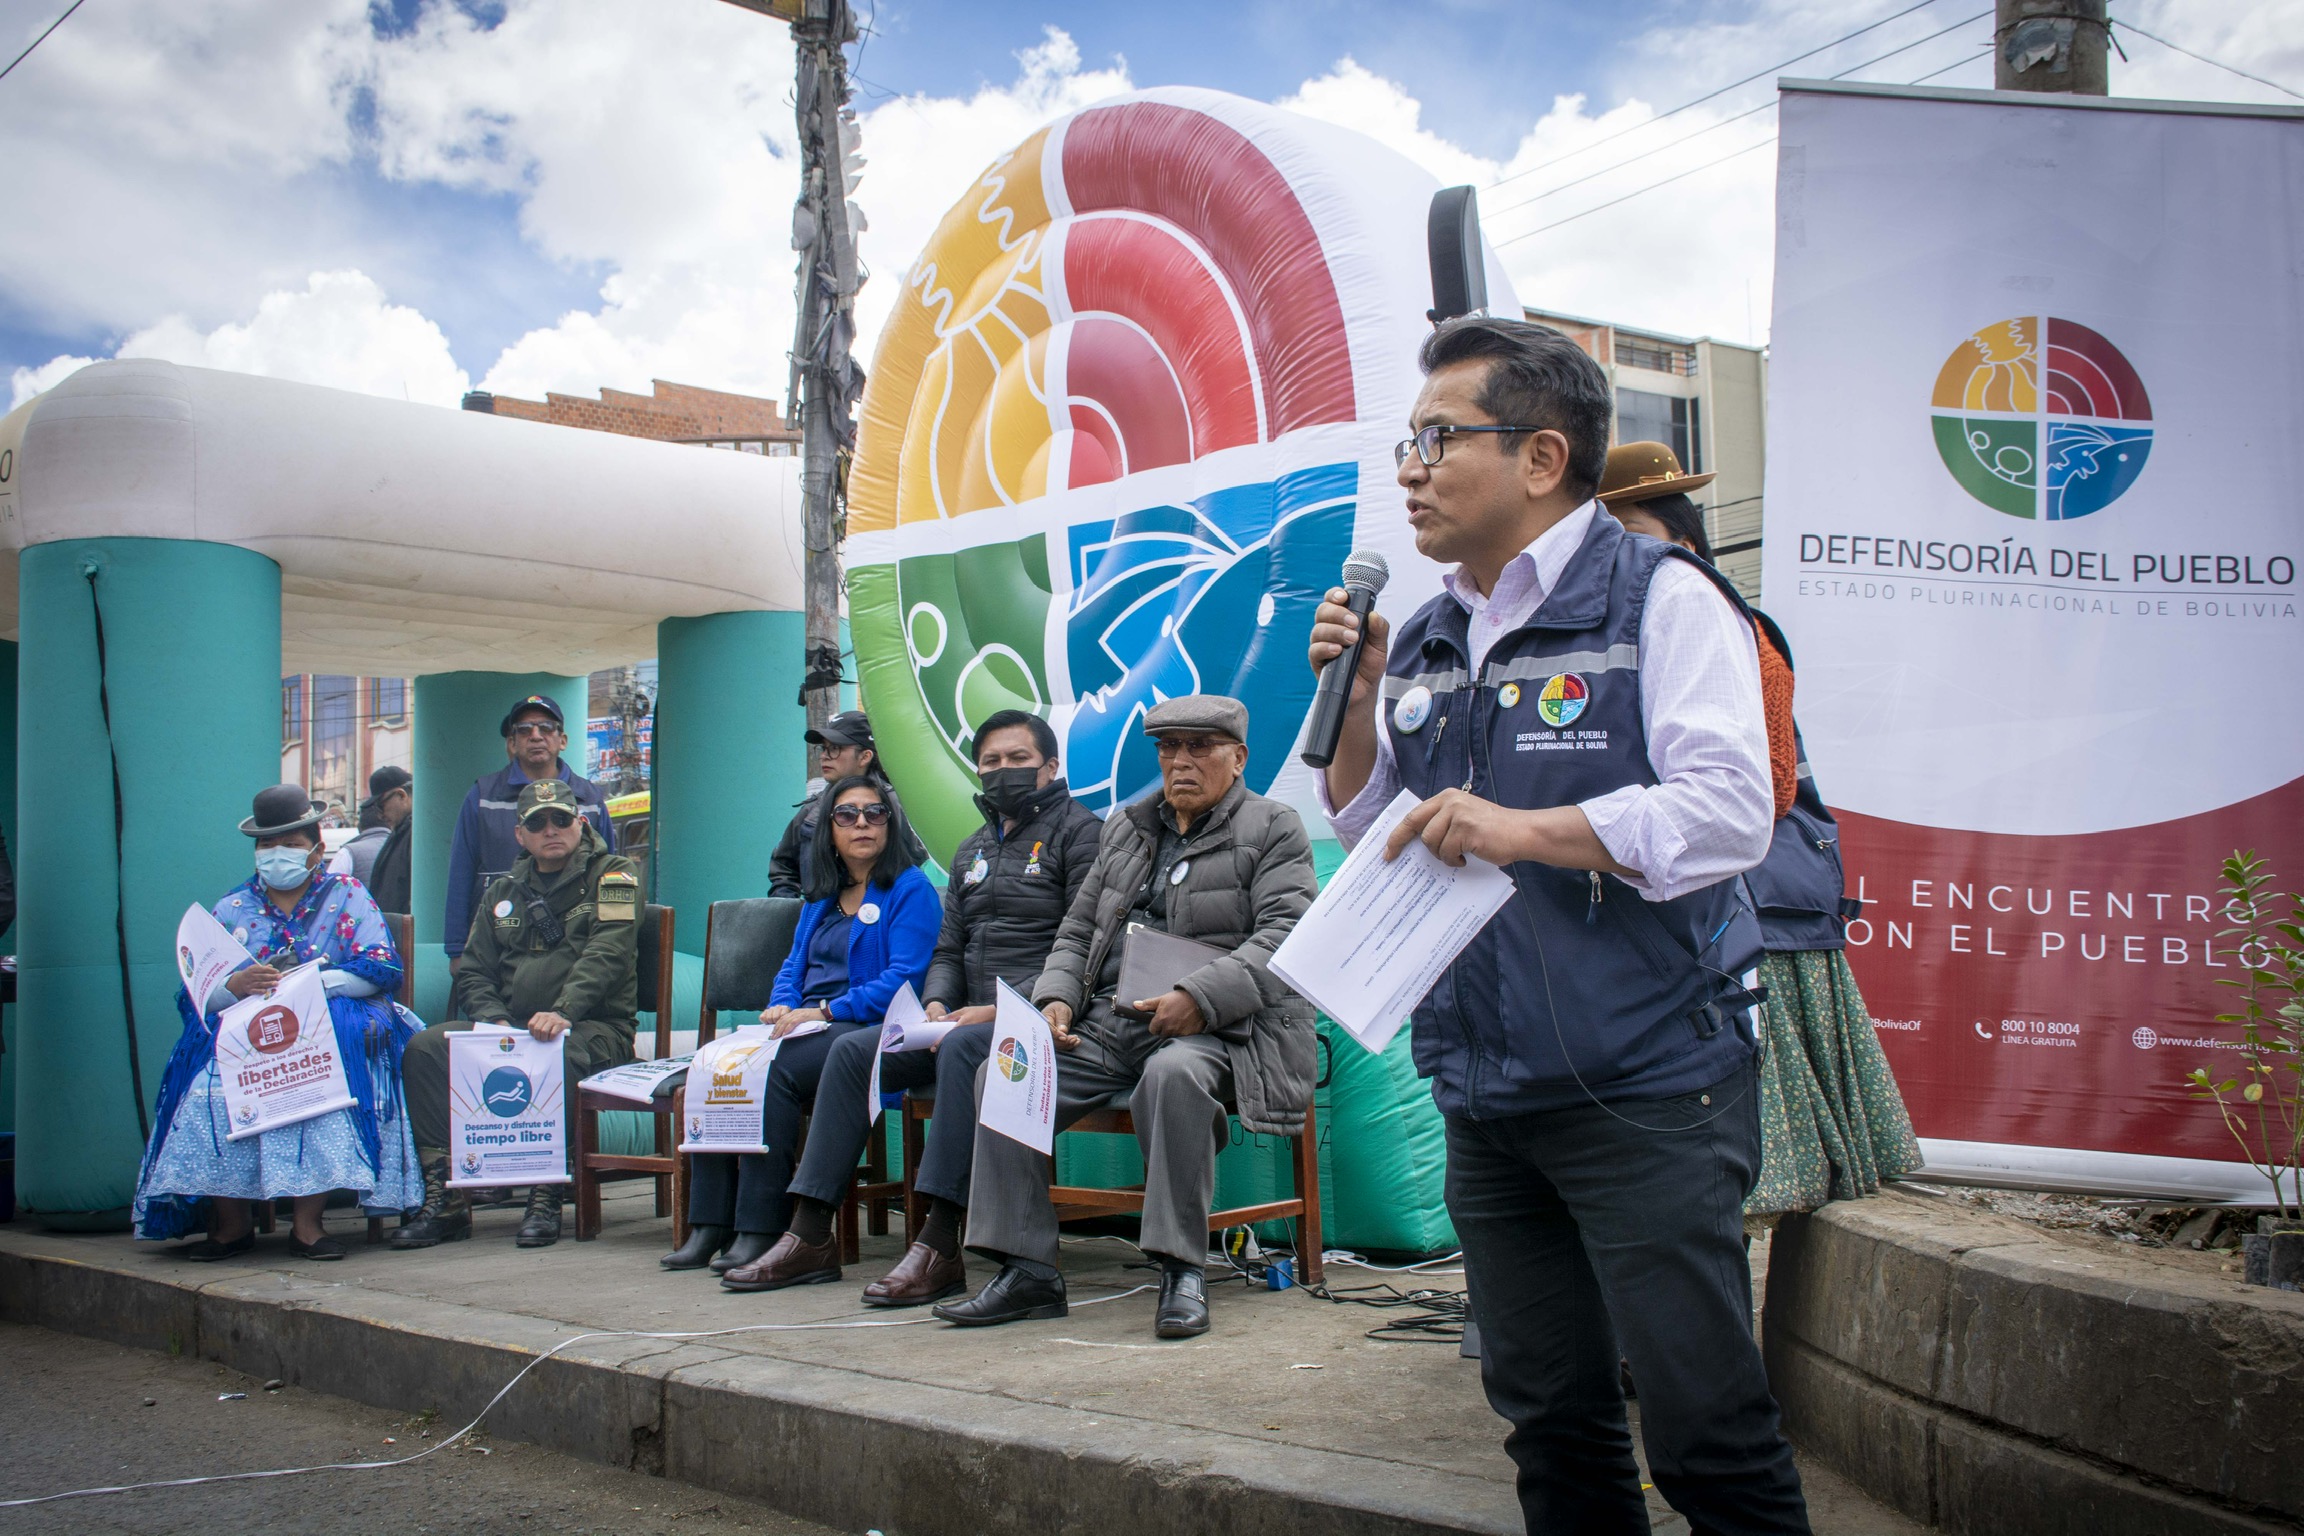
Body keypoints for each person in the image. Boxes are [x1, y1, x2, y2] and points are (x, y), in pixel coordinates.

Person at [1308, 316, 1810, 1533]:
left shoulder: (1663, 598)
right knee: (1551, 1420)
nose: (1410, 467)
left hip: (1646, 1084)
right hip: (1485, 1093)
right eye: (1406, 441)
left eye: (1438, 437)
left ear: (1541, 458)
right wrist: (1365, 705)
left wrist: (1529, 830)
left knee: (1703, 1429)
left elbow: (1735, 811)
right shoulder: (1423, 630)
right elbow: (1371, 815)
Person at [675, 710, 1101, 1305]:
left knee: (955, 1051)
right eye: (991, 762)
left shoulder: (1084, 835)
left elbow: (1084, 945)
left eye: (1018, 760)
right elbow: (950, 948)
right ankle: (809, 1231)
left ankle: (939, 1240)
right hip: (956, 1020)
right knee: (852, 1052)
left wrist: (997, 1009)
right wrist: (936, 999)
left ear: (1050, 767)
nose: (1003, 772)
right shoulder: (972, 849)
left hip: (1034, 1017)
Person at [1600, 442, 1922, 1223]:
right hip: (1682, 905)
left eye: (1636, 532)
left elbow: (1766, 790)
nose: (1624, 553)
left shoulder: (1730, 627)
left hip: (1752, 917)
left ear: (1682, 539)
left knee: (1749, 1173)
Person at [933, 695, 1317, 1341]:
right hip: (1113, 1022)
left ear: (1239, 757)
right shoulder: (1128, 827)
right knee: (1009, 1071)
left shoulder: (1275, 825)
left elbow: (1287, 934)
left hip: (1222, 1030)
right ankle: (1027, 1270)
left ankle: (1180, 1268)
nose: (1181, 761)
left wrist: (1198, 996)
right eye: (1170, 748)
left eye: (1200, 747)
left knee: (1173, 1078)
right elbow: (1079, 928)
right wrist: (1054, 1000)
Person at [131, 785, 424, 1260]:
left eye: (288, 843)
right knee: (211, 1091)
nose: (275, 854)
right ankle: (231, 1225)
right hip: (251, 1034)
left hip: (330, 1025)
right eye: (266, 845)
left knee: (318, 1085)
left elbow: (383, 968)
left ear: (316, 847)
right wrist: (238, 984)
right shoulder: (232, 908)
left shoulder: (348, 895)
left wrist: (317, 983)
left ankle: (308, 1225)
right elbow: (199, 993)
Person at [693, 776, 939, 1290]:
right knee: (719, 1064)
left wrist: (825, 1011)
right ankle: (710, 1222)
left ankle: (762, 1227)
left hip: (868, 1029)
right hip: (811, 1025)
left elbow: (905, 980)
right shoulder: (821, 895)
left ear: (890, 826)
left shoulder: (910, 889)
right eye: (846, 815)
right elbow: (792, 965)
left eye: (875, 814)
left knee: (773, 1074)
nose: (862, 824)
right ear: (828, 830)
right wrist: (782, 1005)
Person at [395, 778, 642, 1250]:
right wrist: (494, 1021)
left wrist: (563, 1011)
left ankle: (547, 1192)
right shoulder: (502, 892)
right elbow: (473, 971)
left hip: (592, 1027)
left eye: (561, 819)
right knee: (424, 1049)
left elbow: (608, 955)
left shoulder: (615, 877)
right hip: (511, 1028)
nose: (551, 829)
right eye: (537, 822)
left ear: (580, 822)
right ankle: (445, 1200)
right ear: (520, 835)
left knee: (557, 1053)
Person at [443, 694, 612, 960]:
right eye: (524, 730)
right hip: (498, 938)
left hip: (575, 942)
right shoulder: (483, 796)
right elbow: (460, 872)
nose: (535, 736)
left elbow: (608, 873)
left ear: (563, 740)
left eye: (546, 728)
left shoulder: (589, 798)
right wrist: (455, 949)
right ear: (512, 743)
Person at [766, 710, 927, 899]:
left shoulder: (894, 804)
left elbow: (917, 862)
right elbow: (783, 867)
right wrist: (790, 910)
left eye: (835, 748)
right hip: (822, 922)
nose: (824, 756)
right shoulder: (813, 809)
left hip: (879, 919)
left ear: (865, 756)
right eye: (823, 749)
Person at [364, 765, 415, 917]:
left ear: (402, 795)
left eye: (381, 805)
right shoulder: (400, 833)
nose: (380, 816)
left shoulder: (415, 836)